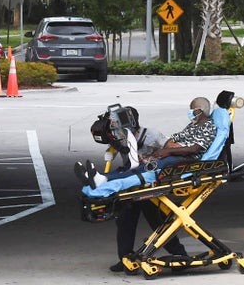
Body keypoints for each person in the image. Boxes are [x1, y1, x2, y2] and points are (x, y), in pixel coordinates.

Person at [107, 107, 187, 273]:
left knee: (158, 220)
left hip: (151, 184)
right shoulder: (120, 137)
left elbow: (172, 148)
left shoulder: (152, 135)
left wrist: (159, 156)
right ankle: (125, 259)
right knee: (124, 219)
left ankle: (180, 255)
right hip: (131, 182)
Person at [75, 97, 217, 187]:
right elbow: (174, 139)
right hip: (175, 155)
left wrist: (166, 151)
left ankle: (104, 180)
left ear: (200, 110)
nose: (190, 112)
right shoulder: (194, 125)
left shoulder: (208, 126)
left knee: (145, 169)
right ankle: (98, 177)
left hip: (186, 160)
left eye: (192, 110)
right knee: (131, 167)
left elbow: (194, 149)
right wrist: (162, 152)